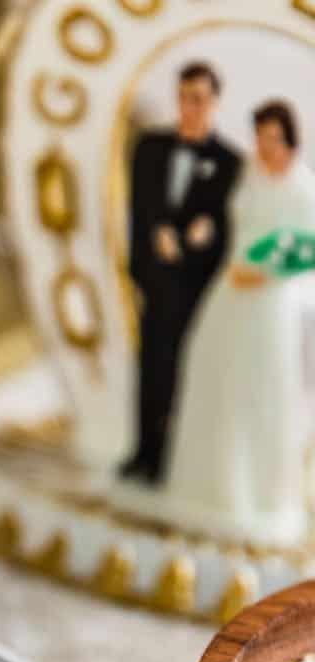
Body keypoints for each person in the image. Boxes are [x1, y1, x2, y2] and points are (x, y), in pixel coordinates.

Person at [162, 101, 315, 545]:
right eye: (259, 137)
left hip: (268, 301)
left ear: (288, 140)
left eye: (273, 138)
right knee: (213, 375)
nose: (265, 147)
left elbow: (307, 250)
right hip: (230, 288)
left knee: (259, 386)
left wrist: (266, 272)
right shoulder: (245, 175)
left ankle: (256, 493)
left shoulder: (302, 189)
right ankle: (206, 487)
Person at [121, 62, 242, 484]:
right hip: (155, 279)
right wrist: (151, 245)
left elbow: (232, 225)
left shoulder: (229, 162)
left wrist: (203, 235)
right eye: (185, 97)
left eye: (200, 99)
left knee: (189, 372)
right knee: (150, 367)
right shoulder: (150, 146)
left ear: (214, 103)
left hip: (198, 288)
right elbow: (137, 208)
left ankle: (178, 457)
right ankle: (144, 452)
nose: (191, 107)